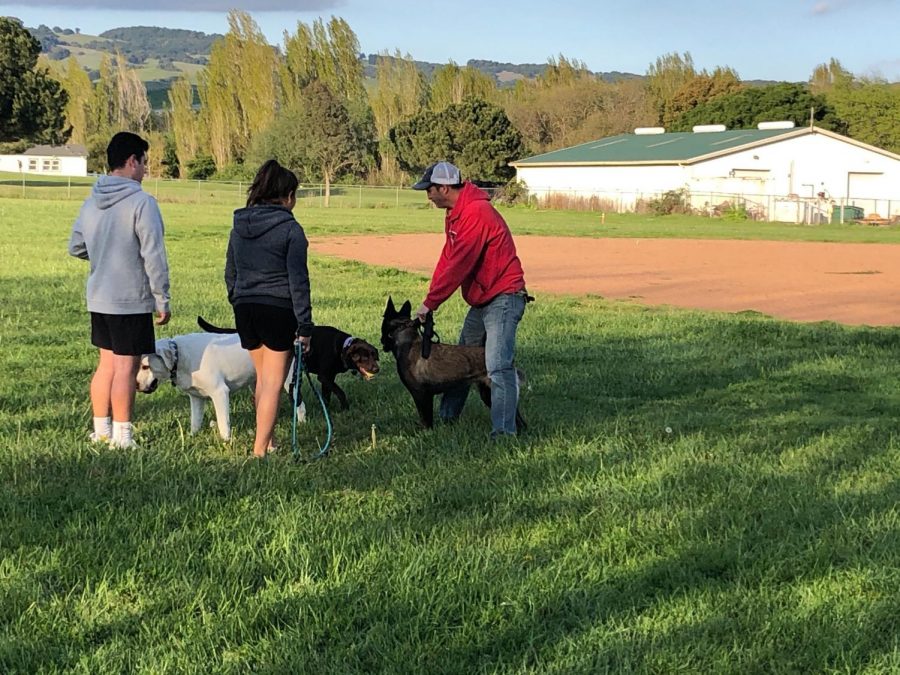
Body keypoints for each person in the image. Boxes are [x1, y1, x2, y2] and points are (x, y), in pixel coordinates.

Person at [68, 131, 171, 449]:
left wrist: (102, 251)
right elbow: (153, 253)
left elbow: (76, 246)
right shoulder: (142, 202)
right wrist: (161, 297)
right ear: (131, 162)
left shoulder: (91, 201)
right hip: (130, 299)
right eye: (143, 163)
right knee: (126, 368)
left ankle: (100, 431)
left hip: (98, 296)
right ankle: (123, 437)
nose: (144, 170)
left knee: (107, 365)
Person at [412, 161, 529, 439]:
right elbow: (447, 258)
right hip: (482, 298)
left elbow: (460, 264)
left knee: (498, 365)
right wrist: (429, 299)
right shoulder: (455, 213)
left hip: (504, 296)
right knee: (461, 359)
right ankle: (448, 418)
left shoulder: (477, 212)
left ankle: (504, 433)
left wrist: (432, 303)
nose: (427, 195)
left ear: (444, 187)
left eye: (429, 190)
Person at [225, 159, 313, 459]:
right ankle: (260, 450)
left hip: (246, 309)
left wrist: (237, 298)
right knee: (274, 384)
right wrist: (305, 327)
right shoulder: (292, 230)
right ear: (287, 196)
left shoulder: (239, 226)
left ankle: (269, 440)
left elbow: (230, 272)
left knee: (263, 379)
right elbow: (298, 282)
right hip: (278, 310)